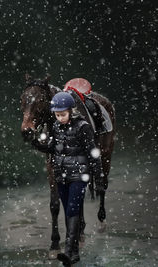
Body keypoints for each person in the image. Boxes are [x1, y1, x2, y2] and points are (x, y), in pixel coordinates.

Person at [31, 92, 103, 265]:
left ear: (71, 111)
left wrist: (98, 177)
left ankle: (69, 252)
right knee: (69, 211)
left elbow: (93, 153)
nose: (60, 118)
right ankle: (74, 253)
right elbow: (52, 147)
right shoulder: (55, 126)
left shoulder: (83, 127)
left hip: (79, 175)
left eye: (63, 114)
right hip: (61, 176)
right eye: (57, 115)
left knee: (72, 210)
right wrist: (37, 144)